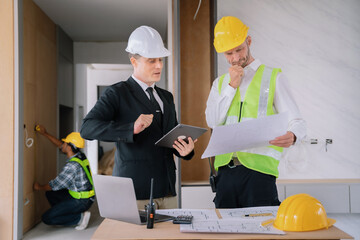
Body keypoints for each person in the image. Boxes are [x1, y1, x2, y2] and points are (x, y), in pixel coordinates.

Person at [80, 25, 196, 210]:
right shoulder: (117, 93)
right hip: (135, 192)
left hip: (167, 190)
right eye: (151, 61)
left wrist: (185, 150)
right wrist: (129, 129)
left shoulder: (166, 97)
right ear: (134, 61)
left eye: (160, 59)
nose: (159, 65)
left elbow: (170, 137)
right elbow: (87, 128)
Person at [205, 16, 306, 208]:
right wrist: (231, 86)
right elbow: (212, 121)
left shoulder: (273, 77)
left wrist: (293, 136)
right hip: (225, 174)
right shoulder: (219, 84)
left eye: (239, 49)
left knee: (261, 234)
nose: (235, 58)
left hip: (259, 174)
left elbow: (297, 121)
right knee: (225, 234)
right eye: (229, 53)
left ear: (248, 42)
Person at [33, 125, 94, 230]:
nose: (63, 144)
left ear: (69, 147)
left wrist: (39, 187)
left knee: (47, 218)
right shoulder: (80, 155)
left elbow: (55, 185)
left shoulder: (72, 166)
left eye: (65, 143)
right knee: (50, 194)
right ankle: (65, 213)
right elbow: (60, 145)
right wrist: (45, 133)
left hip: (81, 200)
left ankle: (79, 218)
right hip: (84, 196)